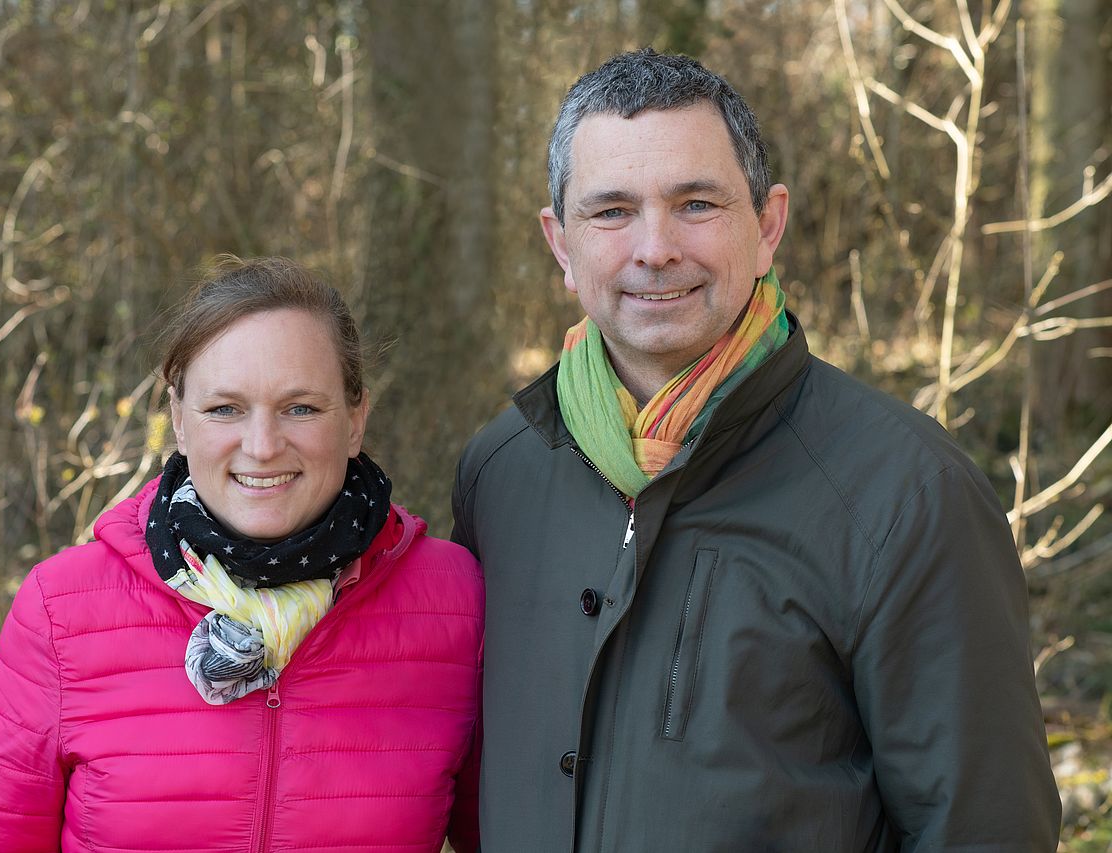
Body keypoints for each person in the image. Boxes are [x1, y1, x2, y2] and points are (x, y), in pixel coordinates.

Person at [452, 49, 1059, 851]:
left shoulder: (905, 493)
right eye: (611, 212)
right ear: (561, 242)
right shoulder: (501, 471)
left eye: (696, 203)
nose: (656, 247)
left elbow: (985, 828)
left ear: (767, 224)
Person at [0, 256, 482, 852]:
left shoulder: (455, 601)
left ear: (356, 419)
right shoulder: (61, 608)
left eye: (300, 408)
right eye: (224, 409)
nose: (262, 446)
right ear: (179, 420)